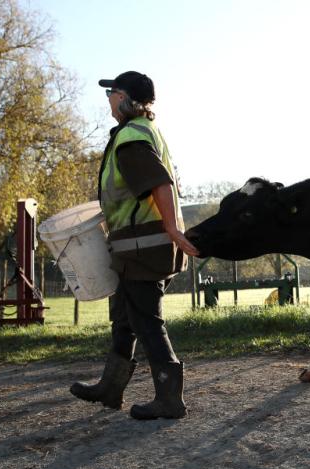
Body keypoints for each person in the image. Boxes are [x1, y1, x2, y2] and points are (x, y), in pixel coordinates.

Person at [70, 71, 199, 420]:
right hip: (137, 245)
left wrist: (172, 228)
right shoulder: (145, 130)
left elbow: (160, 183)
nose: (109, 100)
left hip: (144, 244)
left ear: (126, 98)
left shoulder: (130, 138)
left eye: (112, 93)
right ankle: (110, 387)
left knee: (145, 319)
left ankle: (169, 398)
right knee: (125, 318)